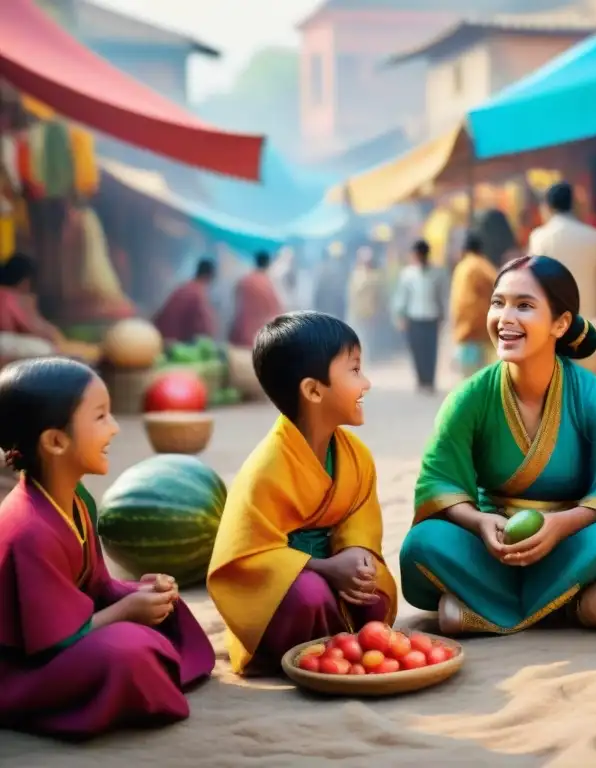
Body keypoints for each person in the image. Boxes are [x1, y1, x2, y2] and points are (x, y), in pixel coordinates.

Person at [399, 255, 596, 636]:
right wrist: (481, 522)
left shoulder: (590, 394)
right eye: (498, 302)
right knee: (420, 545)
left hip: (571, 543)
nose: (505, 318)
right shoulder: (469, 397)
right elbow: (438, 483)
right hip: (493, 549)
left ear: (561, 323)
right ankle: (573, 604)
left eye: (524, 305)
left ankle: (480, 609)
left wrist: (563, 524)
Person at [0, 357, 214, 738]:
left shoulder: (76, 497)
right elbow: (51, 640)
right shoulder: (28, 529)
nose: (115, 428)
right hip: (23, 667)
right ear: (55, 441)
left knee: (163, 605)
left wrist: (136, 593)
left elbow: (93, 586)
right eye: (100, 417)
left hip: (69, 628)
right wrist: (126, 611)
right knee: (127, 649)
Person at [207, 312, 398, 675]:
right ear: (313, 390)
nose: (367, 382)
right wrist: (324, 568)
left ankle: (343, 647)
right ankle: (306, 655)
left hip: (333, 567)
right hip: (286, 587)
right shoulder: (265, 468)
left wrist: (356, 554)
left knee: (372, 590)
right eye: (355, 370)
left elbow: (360, 517)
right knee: (308, 596)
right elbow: (246, 556)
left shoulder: (354, 455)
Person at [528, 182, 596, 319]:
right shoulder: (595, 237)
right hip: (589, 326)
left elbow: (534, 285)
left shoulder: (540, 238)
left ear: (547, 207)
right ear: (573, 205)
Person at [0, 252, 100, 365]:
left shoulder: (7, 294)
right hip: (4, 342)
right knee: (47, 348)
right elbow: (30, 326)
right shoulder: (9, 296)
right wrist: (57, 338)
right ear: (25, 280)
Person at [391, 239, 445, 393]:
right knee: (417, 350)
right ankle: (421, 380)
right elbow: (402, 297)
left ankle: (430, 380)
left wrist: (443, 315)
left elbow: (442, 296)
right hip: (413, 317)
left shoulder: (437, 273)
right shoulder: (408, 274)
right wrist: (400, 315)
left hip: (431, 316)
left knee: (431, 350)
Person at [449, 232, 498, 378]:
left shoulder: (463, 267)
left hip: (468, 330)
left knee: (469, 377)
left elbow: (459, 303)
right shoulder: (487, 267)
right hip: (484, 329)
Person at [153, 258, 218, 343]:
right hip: (175, 347)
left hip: (159, 339)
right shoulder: (198, 294)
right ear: (209, 276)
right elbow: (206, 328)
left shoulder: (182, 288)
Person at [229, 251, 283, 348]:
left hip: (240, 336)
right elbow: (275, 313)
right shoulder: (268, 285)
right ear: (268, 264)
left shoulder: (244, 281)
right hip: (259, 339)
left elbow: (234, 308)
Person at [347, 246, 384, 362]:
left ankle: (369, 359)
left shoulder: (374, 276)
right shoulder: (355, 275)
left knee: (368, 337)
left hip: (370, 312)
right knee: (360, 336)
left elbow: (378, 297)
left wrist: (378, 311)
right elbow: (351, 296)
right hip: (357, 311)